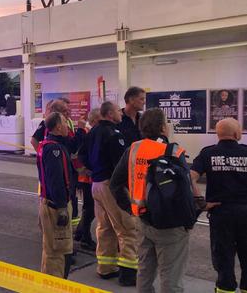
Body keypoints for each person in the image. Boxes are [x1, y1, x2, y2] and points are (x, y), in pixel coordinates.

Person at [110, 108, 192, 293]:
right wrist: (189, 221)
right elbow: (184, 192)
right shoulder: (173, 151)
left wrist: (131, 208)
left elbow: (115, 184)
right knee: (171, 277)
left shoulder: (134, 149)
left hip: (142, 219)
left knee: (145, 271)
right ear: (163, 127)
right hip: (170, 223)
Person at [79, 101, 138, 286]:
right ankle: (128, 274)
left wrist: (93, 170)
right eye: (117, 112)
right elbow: (120, 165)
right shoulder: (114, 134)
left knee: (105, 228)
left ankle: (105, 268)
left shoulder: (93, 132)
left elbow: (82, 156)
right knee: (127, 228)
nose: (121, 114)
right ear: (110, 114)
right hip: (112, 186)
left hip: (96, 184)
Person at [191, 118, 247, 293]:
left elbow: (189, 177)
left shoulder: (208, 153)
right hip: (245, 212)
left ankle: (225, 288)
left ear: (218, 134)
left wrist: (201, 203)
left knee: (223, 259)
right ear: (237, 134)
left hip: (220, 213)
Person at [37, 112, 75, 278]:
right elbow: (56, 180)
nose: (68, 126)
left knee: (51, 249)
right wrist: (61, 208)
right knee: (58, 252)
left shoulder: (51, 145)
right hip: (55, 206)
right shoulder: (53, 149)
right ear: (58, 127)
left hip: (50, 204)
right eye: (65, 123)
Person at [73, 108, 101, 251]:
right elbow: (79, 155)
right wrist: (86, 170)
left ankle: (80, 232)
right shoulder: (89, 135)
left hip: (87, 178)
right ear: (96, 120)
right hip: (87, 178)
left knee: (89, 208)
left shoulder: (91, 134)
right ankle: (85, 237)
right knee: (90, 209)